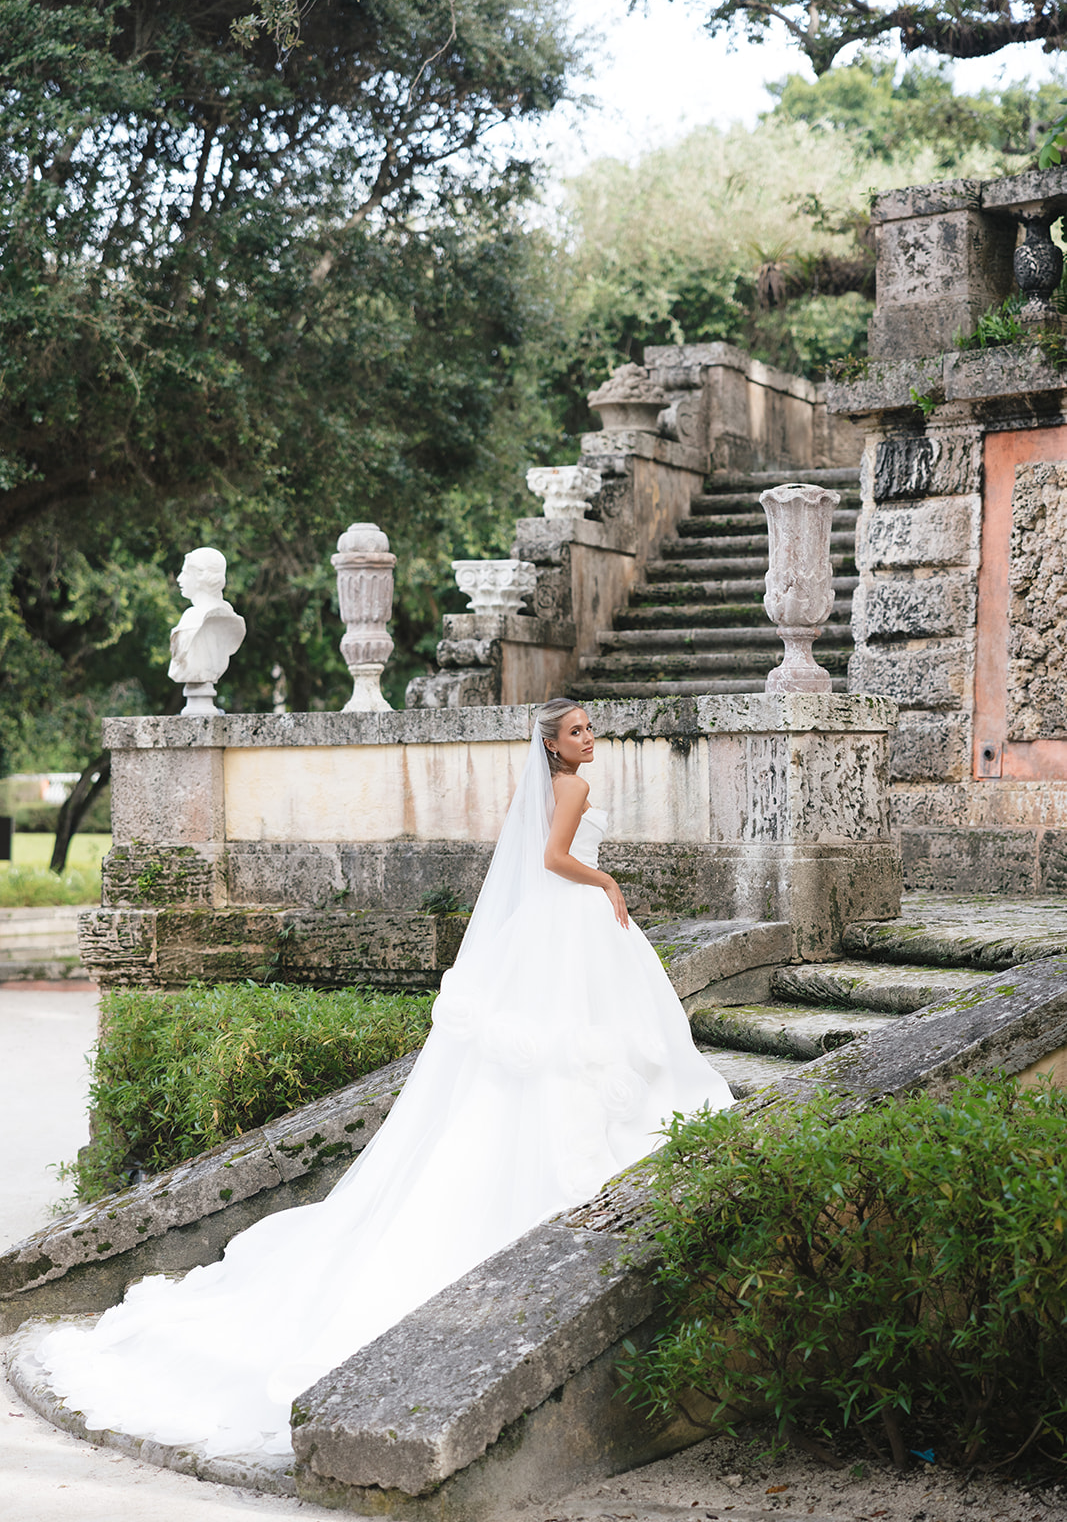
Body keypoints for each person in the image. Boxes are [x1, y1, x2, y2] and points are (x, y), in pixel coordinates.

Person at [36, 699, 732, 1458]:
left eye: (590, 729)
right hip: (572, 916)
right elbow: (553, 860)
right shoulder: (569, 789)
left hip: (554, 934)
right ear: (554, 748)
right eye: (577, 732)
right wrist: (607, 884)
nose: (589, 739)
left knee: (558, 1050)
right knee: (576, 1048)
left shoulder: (549, 785)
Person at [167, 547, 246, 686]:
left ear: (200, 578)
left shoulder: (194, 616)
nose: (179, 579)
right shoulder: (226, 614)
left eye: (185, 573)